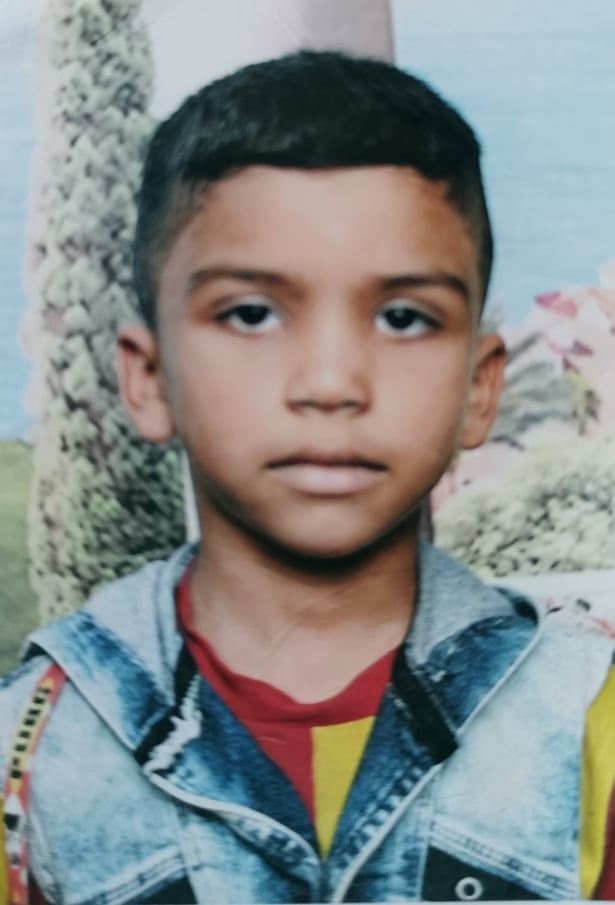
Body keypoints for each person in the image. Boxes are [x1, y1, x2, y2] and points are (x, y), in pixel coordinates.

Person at [1, 50, 613, 904]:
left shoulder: (588, 715)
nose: (330, 382)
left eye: (402, 317)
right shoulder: (30, 750)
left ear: (478, 389)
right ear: (149, 377)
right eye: (251, 313)